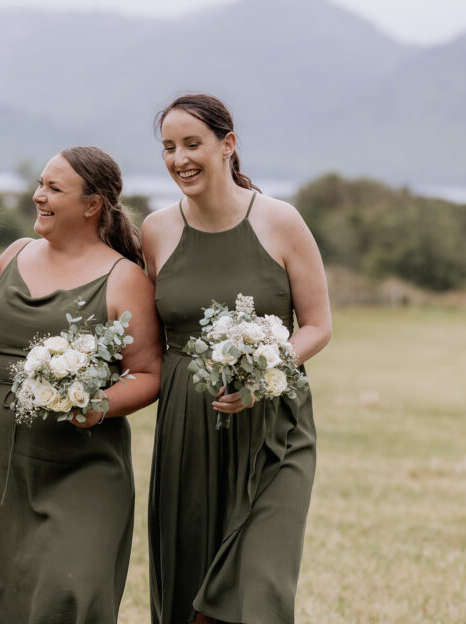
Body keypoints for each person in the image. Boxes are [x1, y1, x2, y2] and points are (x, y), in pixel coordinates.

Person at [142, 93, 332, 624]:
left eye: (192, 144)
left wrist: (264, 376)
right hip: (188, 429)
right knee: (190, 590)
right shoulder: (156, 231)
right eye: (169, 147)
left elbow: (318, 326)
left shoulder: (281, 221)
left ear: (227, 145)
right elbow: (144, 337)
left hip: (274, 429)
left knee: (258, 586)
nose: (179, 158)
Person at [0, 146, 162, 623]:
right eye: (39, 184)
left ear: (92, 205)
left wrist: (97, 405)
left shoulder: (124, 278)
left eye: (54, 188)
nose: (38, 196)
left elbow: (149, 373)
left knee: (68, 593)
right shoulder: (15, 253)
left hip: (81, 467)